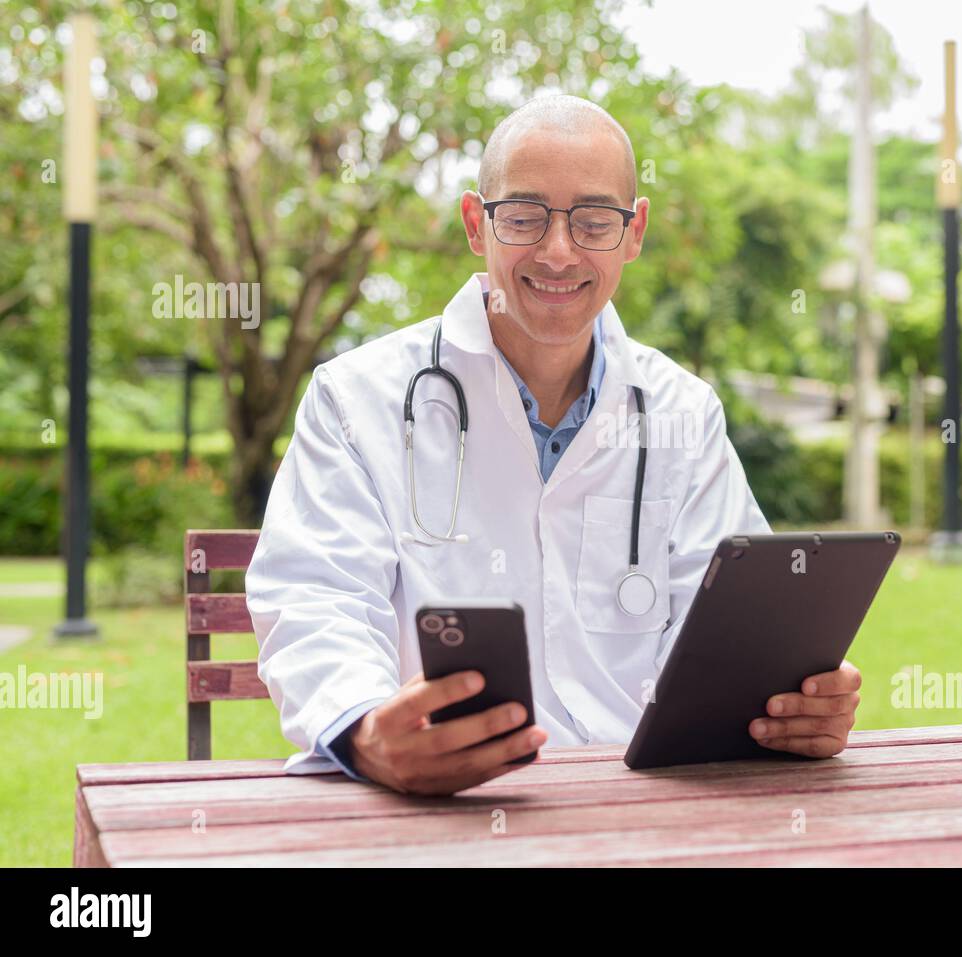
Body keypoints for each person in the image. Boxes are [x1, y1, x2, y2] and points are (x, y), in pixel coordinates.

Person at [245, 95, 862, 796]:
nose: (558, 251)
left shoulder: (682, 412)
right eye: (524, 216)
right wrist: (365, 730)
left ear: (634, 233)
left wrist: (792, 704)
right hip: (442, 807)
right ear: (477, 224)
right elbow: (316, 595)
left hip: (641, 810)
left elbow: (730, 625)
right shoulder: (355, 398)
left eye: (595, 221)